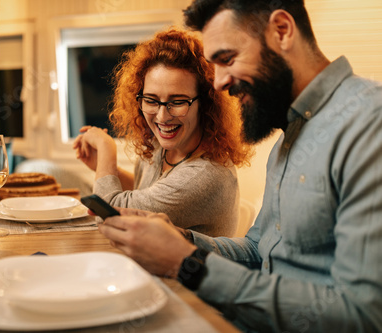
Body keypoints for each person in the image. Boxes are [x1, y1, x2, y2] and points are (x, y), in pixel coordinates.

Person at [98, 1, 382, 332]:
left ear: (282, 31)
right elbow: (258, 252)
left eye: (227, 59)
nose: (217, 83)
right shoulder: (289, 137)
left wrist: (190, 265)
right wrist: (181, 239)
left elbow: (364, 315)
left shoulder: (368, 124)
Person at [73, 28, 250, 236]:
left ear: (205, 103)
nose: (162, 117)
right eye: (151, 100)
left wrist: (105, 149)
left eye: (177, 102)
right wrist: (111, 171)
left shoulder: (205, 176)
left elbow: (109, 214)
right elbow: (150, 192)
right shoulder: (163, 145)